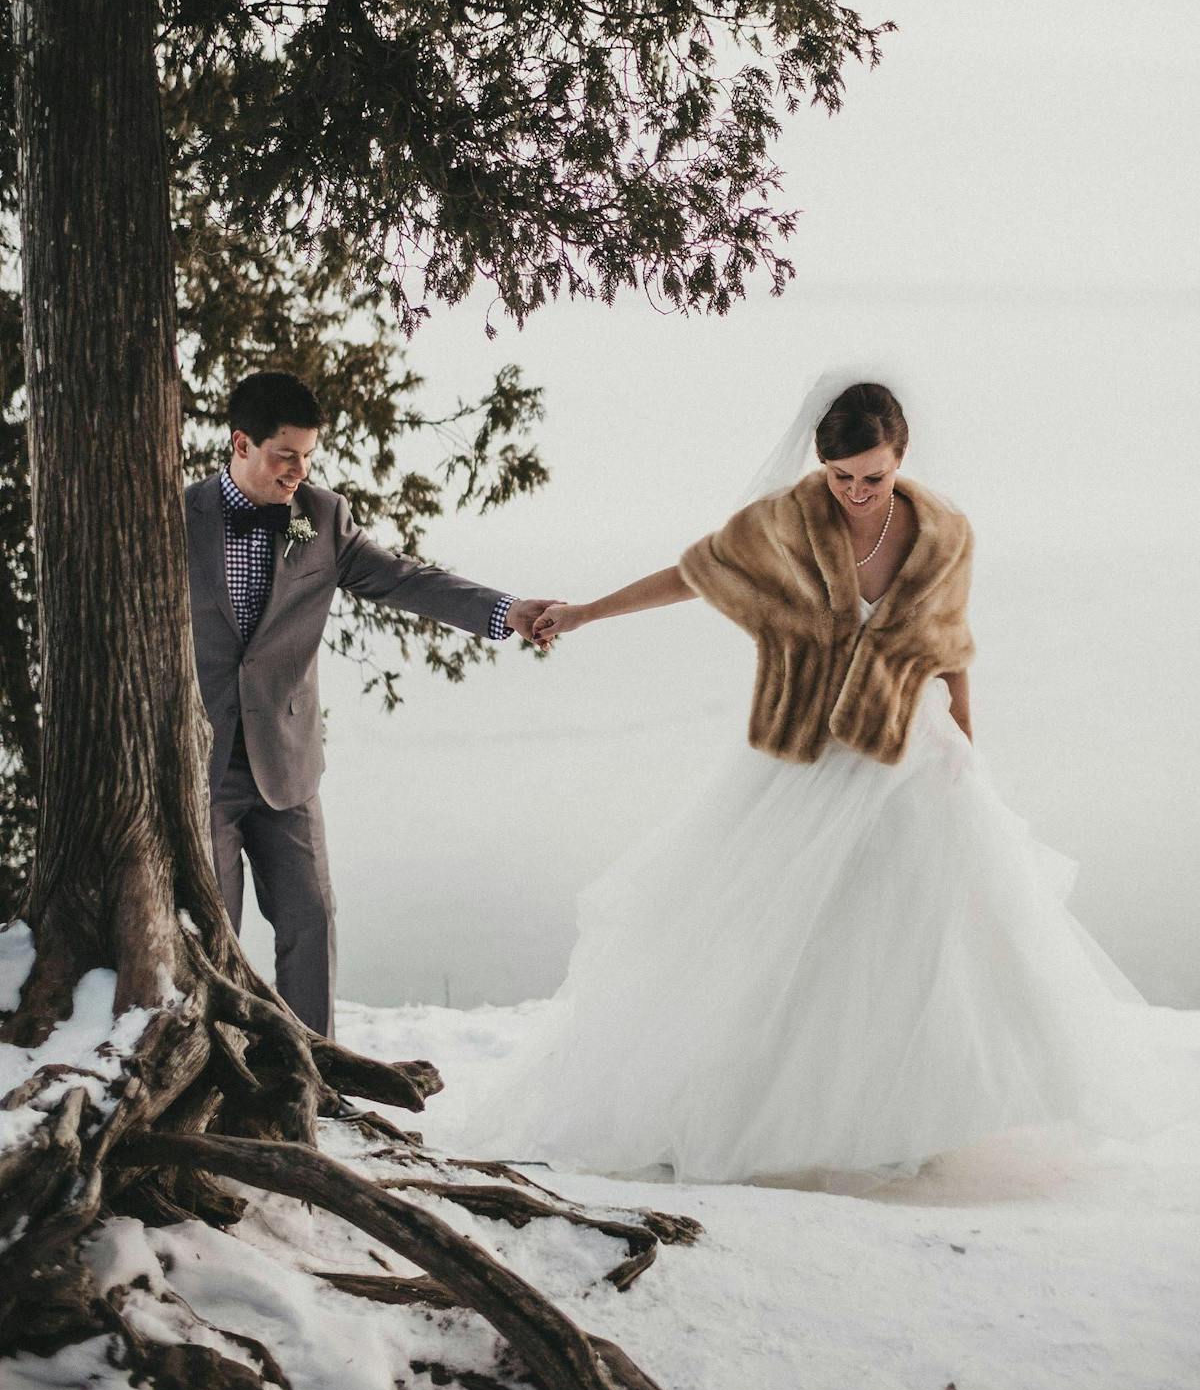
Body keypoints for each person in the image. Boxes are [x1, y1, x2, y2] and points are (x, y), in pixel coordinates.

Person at [458, 372, 1196, 1189]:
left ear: (900, 457)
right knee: (777, 927)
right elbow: (696, 574)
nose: (853, 491)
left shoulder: (945, 531)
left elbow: (951, 641)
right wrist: (588, 612)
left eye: (871, 476)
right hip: (809, 745)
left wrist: (967, 740)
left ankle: (910, 1117)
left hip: (911, 745)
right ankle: (725, 1106)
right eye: (841, 475)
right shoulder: (792, 519)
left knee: (920, 929)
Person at [186, 369, 556, 1039]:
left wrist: (507, 612)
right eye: (285, 456)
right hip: (197, 768)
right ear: (240, 445)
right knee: (216, 935)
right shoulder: (176, 517)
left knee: (311, 922)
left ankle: (316, 1072)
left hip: (287, 768)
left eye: (308, 457)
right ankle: (220, 1072)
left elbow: (404, 580)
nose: (298, 471)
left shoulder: (321, 519)